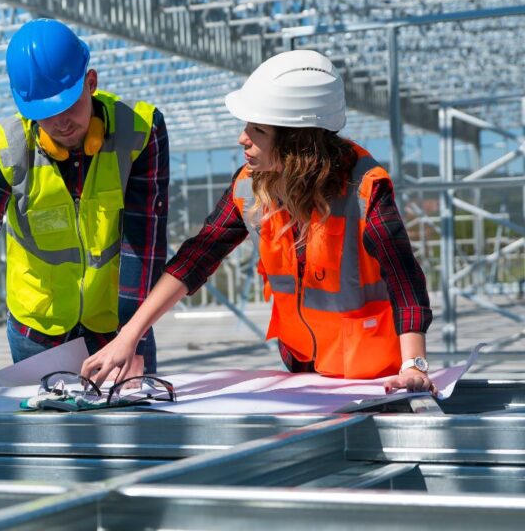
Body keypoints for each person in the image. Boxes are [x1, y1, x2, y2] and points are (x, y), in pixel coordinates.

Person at [81, 49, 435, 395]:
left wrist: (414, 366)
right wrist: (127, 337)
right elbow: (196, 258)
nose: (242, 138)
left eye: (258, 131)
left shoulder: (364, 189)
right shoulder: (249, 187)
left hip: (377, 379)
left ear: (298, 143)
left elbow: (404, 279)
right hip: (305, 374)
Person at [0, 18, 170, 403]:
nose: (61, 121)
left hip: (118, 324)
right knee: (51, 448)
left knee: (131, 437)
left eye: (69, 104)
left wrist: (133, 337)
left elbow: (143, 246)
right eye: (45, 112)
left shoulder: (140, 132)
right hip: (37, 333)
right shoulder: (5, 149)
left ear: (91, 82)